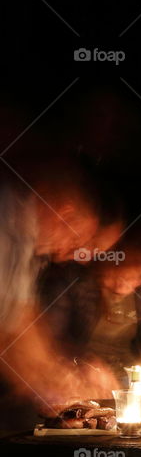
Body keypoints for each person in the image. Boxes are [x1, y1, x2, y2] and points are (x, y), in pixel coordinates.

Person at [0, 162, 113, 426]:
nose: (80, 258)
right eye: (81, 242)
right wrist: (48, 382)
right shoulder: (8, 226)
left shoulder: (28, 243)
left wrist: (61, 372)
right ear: (65, 215)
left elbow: (21, 313)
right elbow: (8, 331)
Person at [41, 239, 141, 385]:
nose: (120, 287)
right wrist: (82, 362)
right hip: (82, 377)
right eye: (113, 277)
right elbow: (51, 335)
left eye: (131, 278)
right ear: (100, 268)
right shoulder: (73, 282)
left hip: (134, 376)